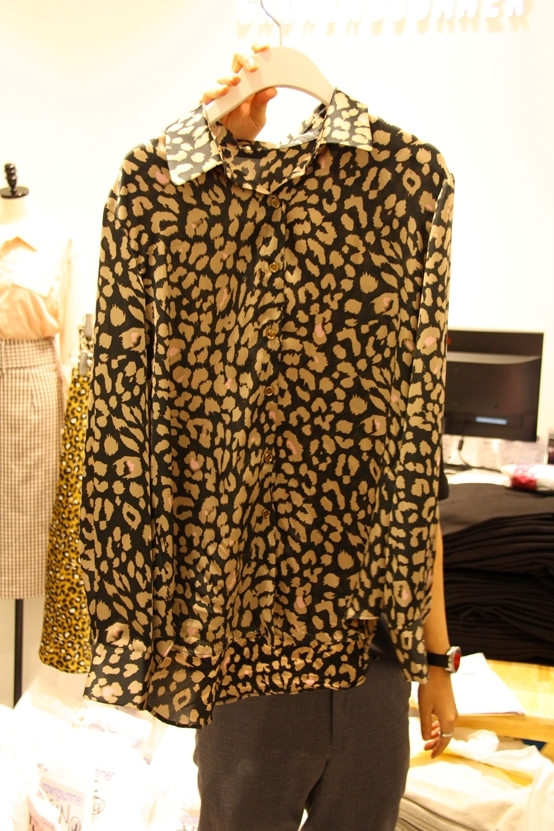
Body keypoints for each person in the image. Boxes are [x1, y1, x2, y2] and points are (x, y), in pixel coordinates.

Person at [192, 46, 458, 831]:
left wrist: (436, 665)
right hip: (250, 676)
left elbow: (419, 522)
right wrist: (216, 143)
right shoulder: (228, 361)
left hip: (373, 676)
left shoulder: (389, 380)